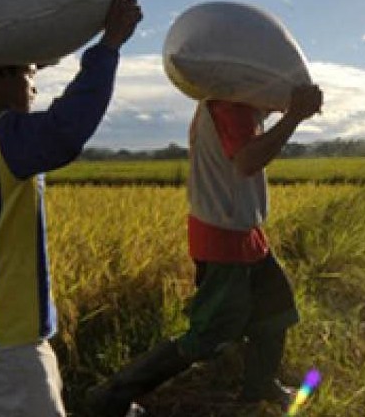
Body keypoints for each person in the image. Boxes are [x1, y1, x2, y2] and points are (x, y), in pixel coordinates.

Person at [87, 83, 323, 416]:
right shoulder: (229, 105)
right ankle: (113, 396)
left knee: (275, 310)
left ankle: (260, 386)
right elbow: (247, 160)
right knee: (208, 334)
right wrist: (295, 116)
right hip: (223, 237)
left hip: (244, 233)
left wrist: (287, 105)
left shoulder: (237, 104)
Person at [0, 0, 142, 417]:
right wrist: (108, 47)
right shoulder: (4, 138)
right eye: (27, 74)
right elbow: (65, 130)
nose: (35, 87)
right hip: (8, 346)